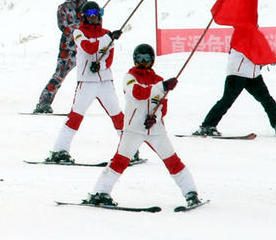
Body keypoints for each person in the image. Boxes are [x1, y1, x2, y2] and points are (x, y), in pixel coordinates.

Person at [85, 44, 201, 208]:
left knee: (173, 161)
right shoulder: (129, 77)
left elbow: (162, 106)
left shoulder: (159, 80)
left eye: (147, 59)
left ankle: (191, 193)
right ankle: (100, 192)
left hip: (156, 131)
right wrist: (163, 87)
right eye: (140, 58)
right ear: (135, 59)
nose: (143, 62)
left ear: (152, 60)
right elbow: (138, 93)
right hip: (134, 130)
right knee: (120, 161)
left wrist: (155, 118)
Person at [45, 1, 126, 164]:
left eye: (96, 13)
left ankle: (129, 149)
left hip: (105, 82)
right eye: (90, 15)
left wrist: (100, 66)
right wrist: (108, 39)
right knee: (75, 116)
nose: (94, 17)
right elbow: (89, 48)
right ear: (84, 16)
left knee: (117, 115)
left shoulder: (107, 33)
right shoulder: (79, 33)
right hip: (86, 83)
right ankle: (60, 150)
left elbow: (108, 59)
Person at [194, 36, 276, 138]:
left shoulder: (255, 37)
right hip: (237, 74)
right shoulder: (239, 36)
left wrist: (269, 59)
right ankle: (207, 126)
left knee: (266, 99)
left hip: (253, 75)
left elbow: (259, 52)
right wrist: (267, 58)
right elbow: (249, 52)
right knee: (226, 101)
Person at [34, 0, 87, 113]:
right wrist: (79, 29)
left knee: (89, 78)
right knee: (59, 75)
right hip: (68, 49)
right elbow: (63, 26)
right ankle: (43, 103)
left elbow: (94, 25)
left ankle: (80, 106)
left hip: (85, 49)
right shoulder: (63, 8)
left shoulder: (88, 6)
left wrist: (97, 14)